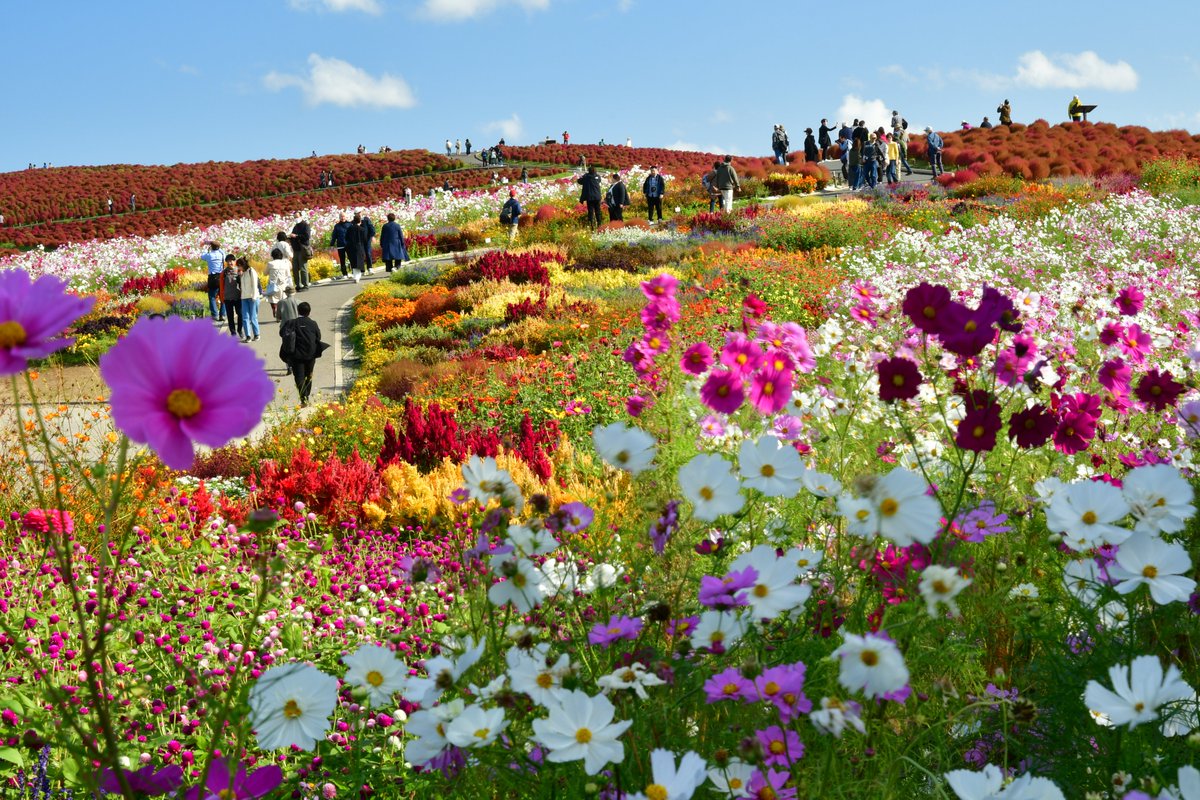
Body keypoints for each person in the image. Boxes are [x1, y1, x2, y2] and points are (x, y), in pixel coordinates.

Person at [280, 301, 324, 407]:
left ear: (298, 311)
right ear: (309, 312)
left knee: (299, 377)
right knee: (308, 376)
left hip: (296, 356)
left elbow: (282, 333)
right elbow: (318, 337)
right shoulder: (313, 323)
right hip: (311, 355)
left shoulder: (291, 323)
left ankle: (303, 399)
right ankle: (306, 396)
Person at [200, 242, 226, 322]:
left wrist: (207, 249)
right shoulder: (221, 254)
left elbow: (202, 256)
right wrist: (218, 247)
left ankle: (215, 315)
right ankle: (223, 315)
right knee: (222, 296)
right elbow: (223, 253)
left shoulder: (209, 255)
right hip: (221, 276)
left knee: (212, 297)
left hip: (212, 277)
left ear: (211, 247)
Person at [276, 287, 299, 375]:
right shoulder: (299, 302)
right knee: (297, 346)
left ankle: (289, 367)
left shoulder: (281, 303)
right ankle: (297, 364)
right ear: (295, 292)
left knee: (287, 347)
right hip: (297, 327)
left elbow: (278, 318)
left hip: (286, 329)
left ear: (286, 293)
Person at [237, 257, 261, 342]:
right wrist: (240, 276)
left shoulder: (252, 271)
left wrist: (254, 297)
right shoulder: (242, 273)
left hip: (252, 297)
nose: (238, 268)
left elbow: (255, 285)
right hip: (244, 297)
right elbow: (240, 286)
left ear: (243, 265)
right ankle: (248, 336)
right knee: (245, 317)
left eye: (239, 266)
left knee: (253, 317)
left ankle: (257, 334)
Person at [265, 247, 292, 319]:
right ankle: (282, 312)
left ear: (273, 256)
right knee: (283, 299)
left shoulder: (270, 264)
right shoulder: (285, 264)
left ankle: (275, 309)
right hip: (283, 285)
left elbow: (265, 273)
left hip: (273, 286)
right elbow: (288, 275)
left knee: (273, 299)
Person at [289, 214, 312, 290]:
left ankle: (305, 285)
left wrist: (296, 236)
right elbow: (293, 236)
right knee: (295, 268)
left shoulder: (305, 225)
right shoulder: (296, 226)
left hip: (303, 249)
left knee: (303, 268)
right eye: (295, 217)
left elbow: (307, 236)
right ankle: (298, 285)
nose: (296, 219)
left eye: (297, 217)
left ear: (301, 217)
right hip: (296, 250)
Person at [577, 166, 604, 230]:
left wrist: (584, 175)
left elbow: (579, 181)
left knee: (590, 212)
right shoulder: (597, 177)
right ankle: (599, 225)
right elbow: (599, 180)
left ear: (588, 171)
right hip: (597, 197)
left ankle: (591, 226)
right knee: (598, 211)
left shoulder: (586, 177)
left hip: (590, 197)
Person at [221, 255, 242, 338]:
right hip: (227, 298)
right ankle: (233, 333)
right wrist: (222, 296)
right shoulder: (224, 272)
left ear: (235, 261)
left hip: (238, 297)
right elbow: (221, 285)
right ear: (226, 262)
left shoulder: (239, 271)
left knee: (240, 314)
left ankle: (240, 330)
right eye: (228, 261)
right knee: (230, 317)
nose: (230, 263)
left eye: (232, 261)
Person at [345, 212, 368, 282]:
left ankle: (355, 277)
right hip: (359, 247)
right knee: (359, 262)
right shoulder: (362, 229)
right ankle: (357, 277)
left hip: (351, 247)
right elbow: (365, 239)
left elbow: (346, 238)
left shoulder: (349, 228)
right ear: (360, 221)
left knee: (353, 262)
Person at [330, 213, 350, 278]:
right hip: (340, 245)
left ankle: (353, 271)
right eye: (341, 216)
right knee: (342, 260)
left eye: (343, 216)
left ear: (346, 217)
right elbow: (334, 236)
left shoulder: (349, 224)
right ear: (339, 217)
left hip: (349, 245)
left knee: (351, 259)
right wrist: (332, 245)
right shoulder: (337, 226)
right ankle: (344, 274)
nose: (342, 217)